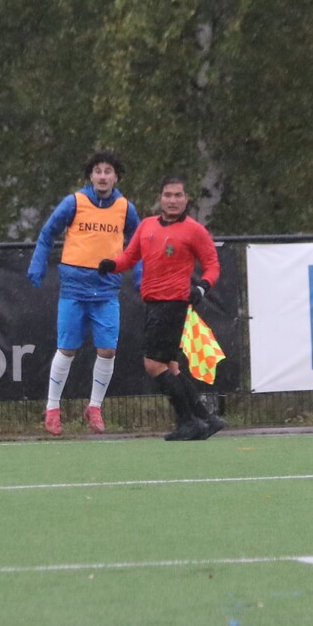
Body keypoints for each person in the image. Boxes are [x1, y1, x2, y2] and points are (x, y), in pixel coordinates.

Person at [98, 177, 227, 441]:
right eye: (168, 195)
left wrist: (202, 288)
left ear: (186, 199)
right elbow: (130, 257)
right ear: (160, 198)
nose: (173, 200)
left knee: (153, 365)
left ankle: (188, 421)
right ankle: (206, 418)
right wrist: (112, 265)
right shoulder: (147, 225)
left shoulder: (194, 230)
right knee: (170, 365)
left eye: (178, 195)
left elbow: (213, 265)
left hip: (173, 303)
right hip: (153, 303)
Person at [27, 151, 141, 436]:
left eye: (108, 171)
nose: (102, 176)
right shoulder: (74, 202)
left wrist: (141, 275)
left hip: (106, 290)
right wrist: (38, 263)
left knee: (108, 350)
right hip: (74, 291)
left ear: (116, 177)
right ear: (90, 175)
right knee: (66, 349)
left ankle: (95, 407)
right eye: (98, 171)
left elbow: (138, 242)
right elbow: (47, 233)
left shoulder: (126, 208)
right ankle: (52, 409)